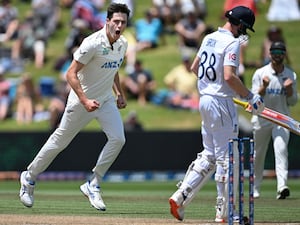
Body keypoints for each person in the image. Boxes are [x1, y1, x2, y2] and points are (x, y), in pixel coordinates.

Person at [19, 3, 130, 211]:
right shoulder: (92, 43)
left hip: (105, 100)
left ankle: (93, 183)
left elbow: (113, 68)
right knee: (60, 141)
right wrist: (85, 100)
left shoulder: (123, 43)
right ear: (107, 21)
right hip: (81, 101)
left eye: (123, 22)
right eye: (115, 21)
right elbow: (70, 73)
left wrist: (119, 93)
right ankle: (29, 177)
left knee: (118, 139)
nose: (119, 25)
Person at [168, 6, 264, 223]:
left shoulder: (209, 38)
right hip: (221, 104)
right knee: (228, 159)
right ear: (238, 24)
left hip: (205, 100)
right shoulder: (232, 42)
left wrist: (213, 86)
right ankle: (226, 213)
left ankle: (180, 196)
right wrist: (250, 96)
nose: (244, 33)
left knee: (210, 154)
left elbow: (194, 67)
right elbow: (229, 76)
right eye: (244, 28)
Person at [251, 41, 297, 200]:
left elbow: (293, 102)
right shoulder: (260, 73)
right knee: (258, 155)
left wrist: (290, 90)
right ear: (269, 54)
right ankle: (255, 188)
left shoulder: (291, 74)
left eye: (280, 52)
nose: (277, 55)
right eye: (274, 52)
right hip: (262, 119)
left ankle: (282, 187)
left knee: (281, 150)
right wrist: (263, 87)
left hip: (281, 119)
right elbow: (254, 102)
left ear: (284, 54)